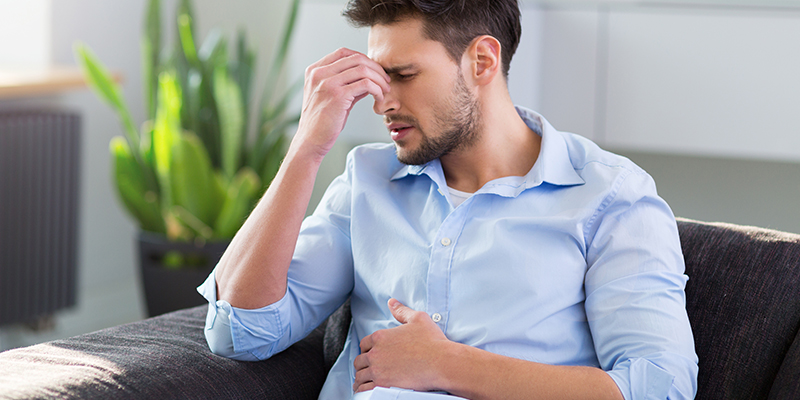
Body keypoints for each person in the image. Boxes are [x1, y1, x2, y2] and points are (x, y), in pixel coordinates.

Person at [197, 0, 699, 398]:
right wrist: (306, 150)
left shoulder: (610, 197)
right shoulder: (367, 181)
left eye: (403, 75)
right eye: (376, 76)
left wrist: (446, 364)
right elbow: (240, 333)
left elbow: (661, 387)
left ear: (482, 60)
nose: (381, 101)